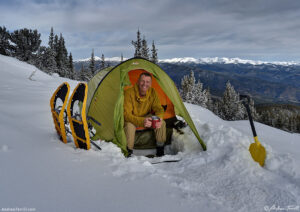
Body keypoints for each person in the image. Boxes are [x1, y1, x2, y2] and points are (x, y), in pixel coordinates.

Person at [124, 72, 166, 157]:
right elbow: (126, 115)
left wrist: (160, 118)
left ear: (150, 83)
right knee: (129, 126)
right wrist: (142, 121)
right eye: (142, 81)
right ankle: (128, 151)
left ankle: (160, 150)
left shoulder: (152, 92)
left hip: (146, 117)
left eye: (147, 82)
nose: (144, 84)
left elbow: (158, 108)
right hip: (132, 118)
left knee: (161, 123)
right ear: (138, 81)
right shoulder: (129, 93)